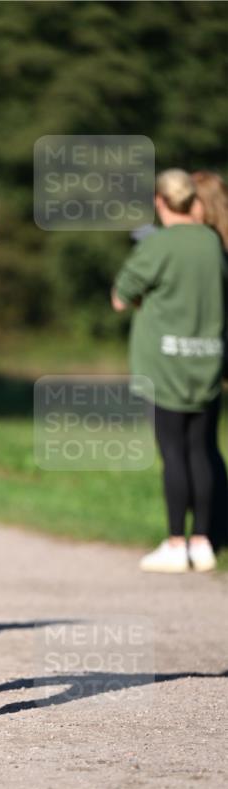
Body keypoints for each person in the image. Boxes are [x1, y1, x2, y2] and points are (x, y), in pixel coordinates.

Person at [112, 169, 225, 572]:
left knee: (174, 453)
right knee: (203, 452)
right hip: (208, 362)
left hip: (165, 367)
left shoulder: (157, 246)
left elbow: (121, 299)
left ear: (160, 202)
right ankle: (204, 542)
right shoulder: (213, 242)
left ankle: (176, 542)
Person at [190, 171, 228, 552]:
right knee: (207, 443)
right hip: (214, 348)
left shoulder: (209, 246)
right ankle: (214, 531)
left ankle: (209, 533)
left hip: (206, 351)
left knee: (200, 445)